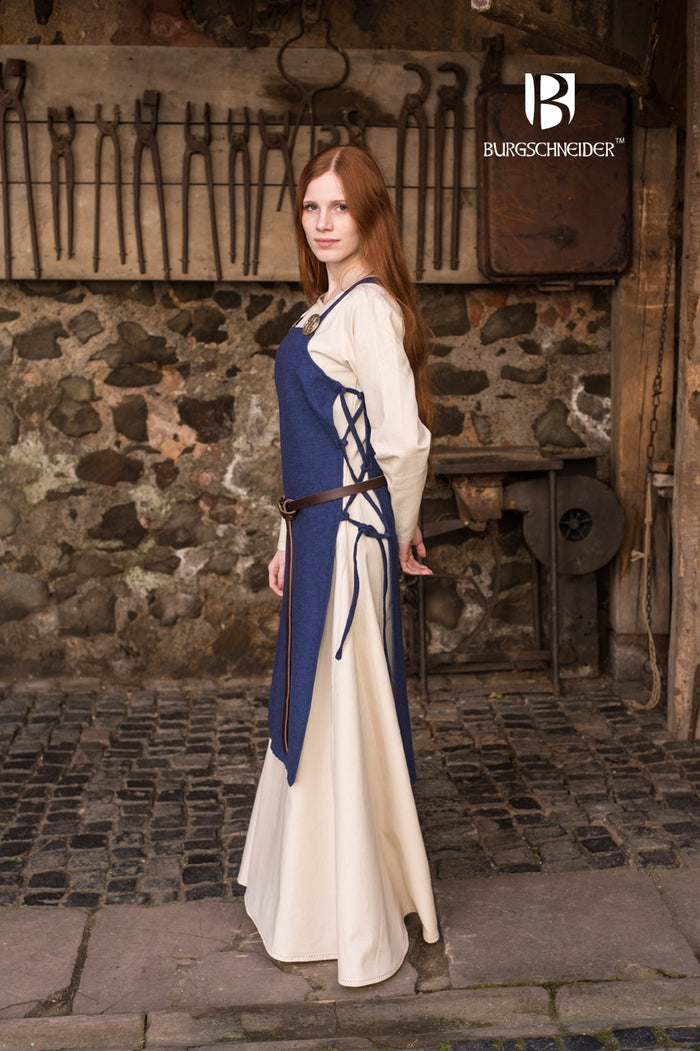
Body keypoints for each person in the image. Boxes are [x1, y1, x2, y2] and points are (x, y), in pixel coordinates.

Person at [238, 144, 439, 987]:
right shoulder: (323, 309)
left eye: (340, 207)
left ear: (369, 214)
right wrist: (286, 538)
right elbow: (309, 447)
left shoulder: (371, 311)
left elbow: (402, 441)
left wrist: (397, 530)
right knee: (311, 703)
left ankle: (351, 912)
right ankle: (306, 894)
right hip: (318, 527)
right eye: (311, 207)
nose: (323, 223)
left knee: (343, 709)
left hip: (353, 541)